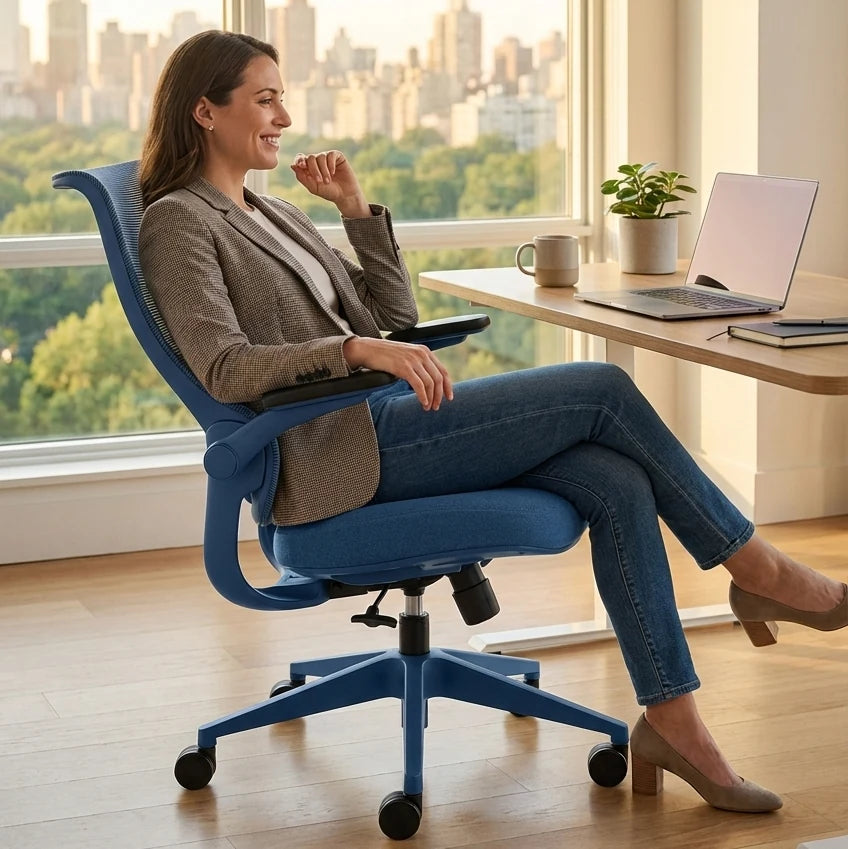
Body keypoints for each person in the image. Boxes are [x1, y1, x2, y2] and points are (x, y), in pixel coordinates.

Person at [138, 30, 846, 814]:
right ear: (205, 110)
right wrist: (349, 346)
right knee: (602, 389)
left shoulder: (271, 212)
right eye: (265, 97)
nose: (286, 115)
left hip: (387, 419)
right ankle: (761, 573)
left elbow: (397, 322)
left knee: (611, 476)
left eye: (282, 95)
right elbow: (227, 367)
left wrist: (351, 211)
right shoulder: (178, 222)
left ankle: (674, 724)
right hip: (337, 456)